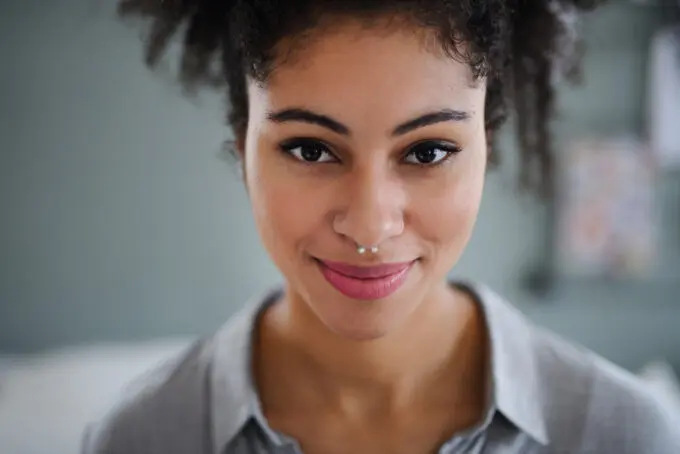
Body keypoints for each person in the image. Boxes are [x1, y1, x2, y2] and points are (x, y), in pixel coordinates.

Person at [82, 1, 680, 453]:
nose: (370, 225)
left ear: (486, 150)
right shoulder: (139, 438)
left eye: (427, 152)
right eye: (312, 150)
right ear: (244, 152)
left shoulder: (625, 435)